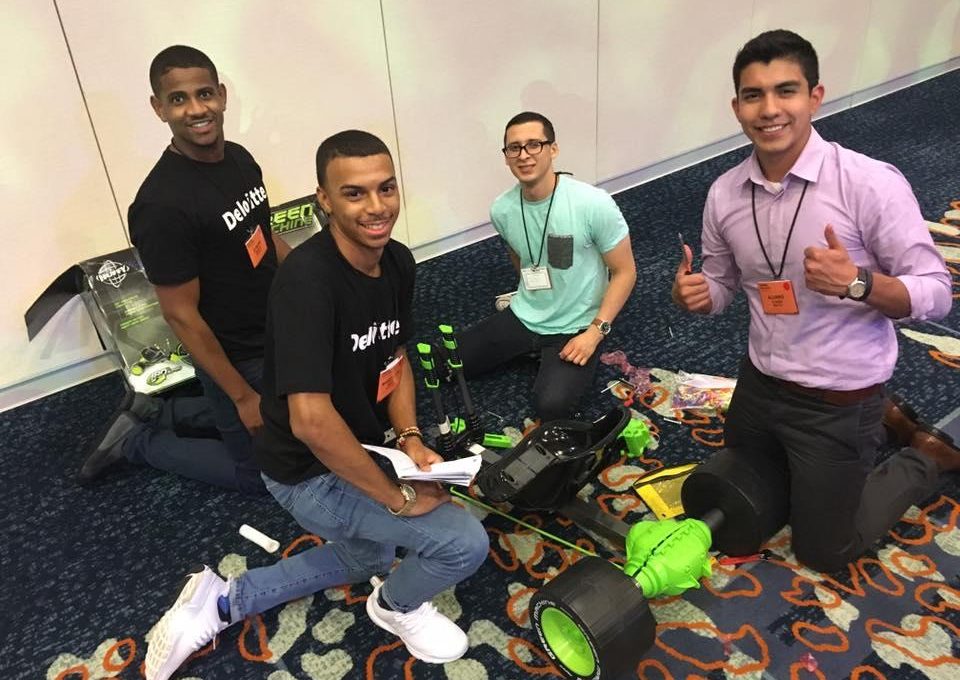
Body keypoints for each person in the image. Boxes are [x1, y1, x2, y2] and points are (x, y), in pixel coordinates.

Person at [143, 130, 489, 679]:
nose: (377, 207)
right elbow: (310, 422)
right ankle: (395, 607)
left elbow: (395, 356)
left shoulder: (396, 260)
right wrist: (398, 499)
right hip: (305, 472)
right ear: (323, 200)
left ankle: (223, 599)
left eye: (386, 188)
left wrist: (410, 439)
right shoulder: (306, 284)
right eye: (354, 194)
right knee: (463, 542)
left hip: (366, 445)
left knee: (368, 557)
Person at [672, 29, 958, 572]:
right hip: (759, 386)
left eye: (787, 91)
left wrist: (860, 283)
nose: (770, 109)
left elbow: (937, 292)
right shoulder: (725, 193)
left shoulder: (868, 183)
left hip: (837, 398)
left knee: (826, 548)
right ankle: (883, 421)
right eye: (754, 96)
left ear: (815, 97)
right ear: (737, 107)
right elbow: (723, 284)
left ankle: (925, 455)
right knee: (744, 498)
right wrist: (698, 293)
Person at [78, 45, 289, 495]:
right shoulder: (161, 205)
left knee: (299, 419)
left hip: (271, 327)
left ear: (223, 96)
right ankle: (139, 440)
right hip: (232, 354)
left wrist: (317, 281)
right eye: (178, 99)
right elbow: (181, 316)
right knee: (260, 477)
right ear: (159, 108)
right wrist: (241, 396)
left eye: (205, 93)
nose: (196, 109)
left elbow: (264, 237)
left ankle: (165, 411)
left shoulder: (240, 159)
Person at [456, 112, 636, 422]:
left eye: (534, 145)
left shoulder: (593, 203)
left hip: (577, 325)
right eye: (514, 148)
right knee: (451, 363)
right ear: (506, 157)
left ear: (553, 149)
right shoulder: (502, 209)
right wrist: (534, 297)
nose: (523, 155)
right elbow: (521, 258)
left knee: (551, 407)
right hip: (526, 314)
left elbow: (625, 272)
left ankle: (545, 352)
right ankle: (532, 348)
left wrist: (595, 332)